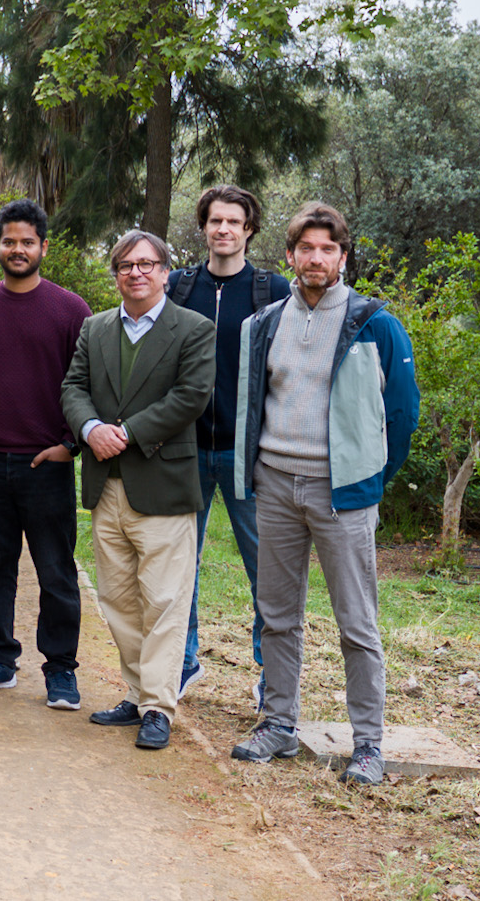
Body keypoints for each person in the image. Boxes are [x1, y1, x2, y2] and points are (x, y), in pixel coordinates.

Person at [228, 203, 420, 787]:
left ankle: (367, 745)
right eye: (306, 248)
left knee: (357, 623)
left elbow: (403, 412)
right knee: (277, 616)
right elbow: (247, 403)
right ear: (289, 255)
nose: (316, 258)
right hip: (276, 487)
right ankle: (278, 723)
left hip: (344, 497)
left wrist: (368, 482)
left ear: (342, 256)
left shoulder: (374, 323)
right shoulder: (261, 324)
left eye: (327, 249)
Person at [62, 231, 215, 751]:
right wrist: (89, 429)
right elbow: (73, 388)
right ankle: (135, 693)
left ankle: (158, 707)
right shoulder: (95, 328)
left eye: (147, 264)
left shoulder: (193, 329)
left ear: (166, 272)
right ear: (117, 273)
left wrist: (126, 433)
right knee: (119, 600)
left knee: (166, 601)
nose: (136, 272)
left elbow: (191, 396)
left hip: (163, 485)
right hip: (107, 488)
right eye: (126, 265)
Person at [0, 198, 92, 708]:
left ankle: (60, 669)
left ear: (43, 247)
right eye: (10, 241)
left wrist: (69, 446)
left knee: (56, 570)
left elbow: (88, 385)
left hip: (45, 465)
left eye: (28, 241)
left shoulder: (71, 310)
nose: (19, 249)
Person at [167, 185, 291, 700]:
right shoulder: (177, 286)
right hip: (184, 452)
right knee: (177, 567)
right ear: (203, 227)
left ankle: (272, 677)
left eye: (233, 223)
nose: (223, 230)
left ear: (249, 230)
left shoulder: (273, 290)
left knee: (266, 571)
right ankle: (183, 660)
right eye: (215, 221)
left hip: (249, 455)